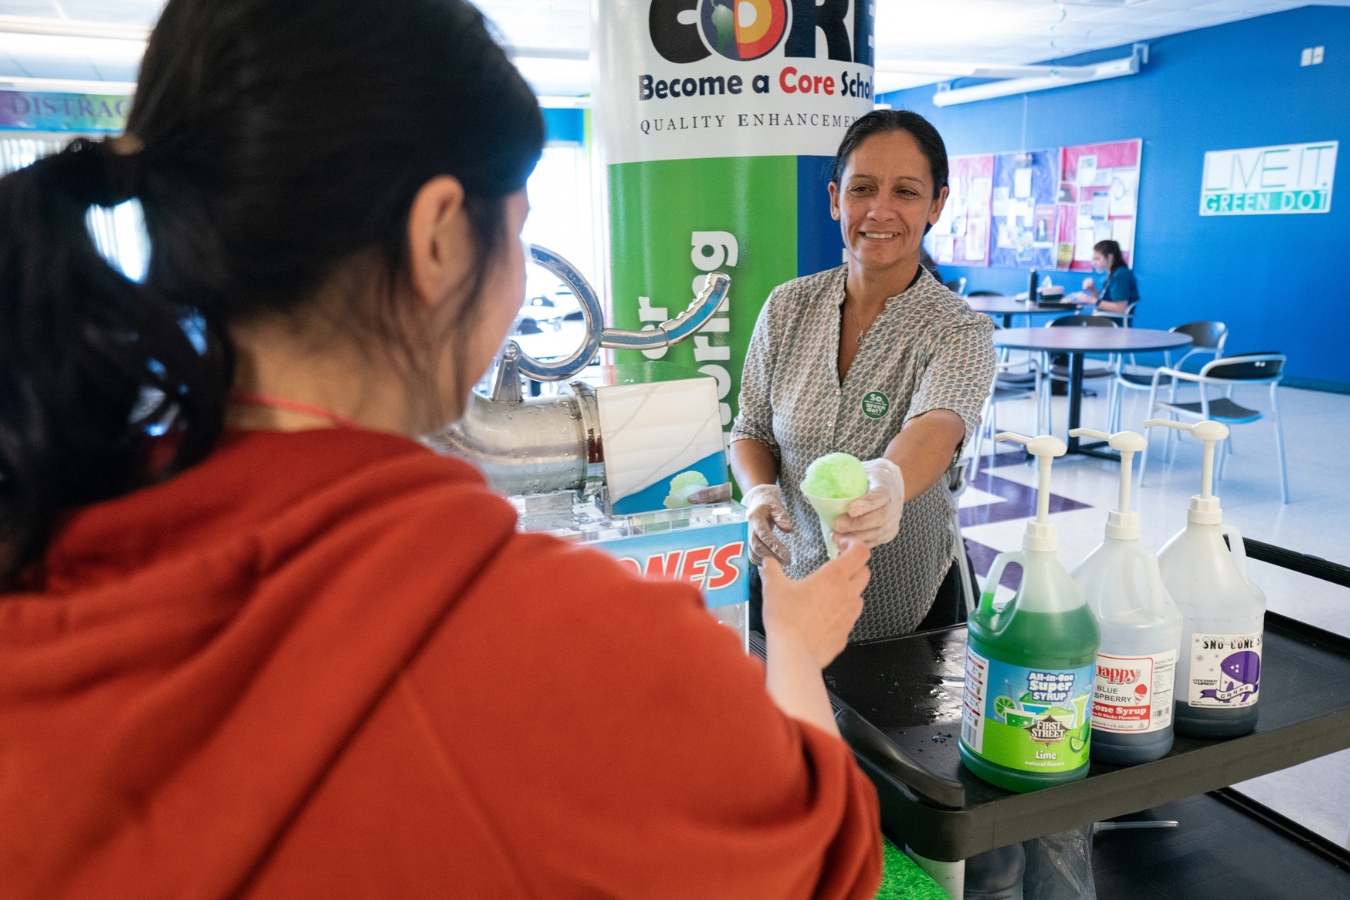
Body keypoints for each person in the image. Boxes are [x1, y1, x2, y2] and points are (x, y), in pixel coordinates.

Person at [0, 1, 884, 896]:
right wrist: (796, 655)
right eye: (517, 229)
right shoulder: (568, 657)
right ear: (436, 236)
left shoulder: (40, 526)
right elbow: (825, 867)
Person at [731, 111, 996, 642]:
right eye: (863, 188)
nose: (880, 210)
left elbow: (938, 426)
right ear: (835, 199)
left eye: (906, 191)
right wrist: (759, 493)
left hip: (907, 608)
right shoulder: (788, 307)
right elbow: (751, 429)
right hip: (786, 583)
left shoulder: (959, 329)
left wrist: (889, 484)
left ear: (936, 205)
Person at [1079, 239, 1139, 314]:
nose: (1093, 263)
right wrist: (1092, 290)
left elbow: (1121, 308)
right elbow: (1105, 301)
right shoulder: (1111, 274)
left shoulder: (1121, 275)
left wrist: (1092, 300)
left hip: (1112, 323)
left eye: (1097, 259)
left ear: (1110, 257)